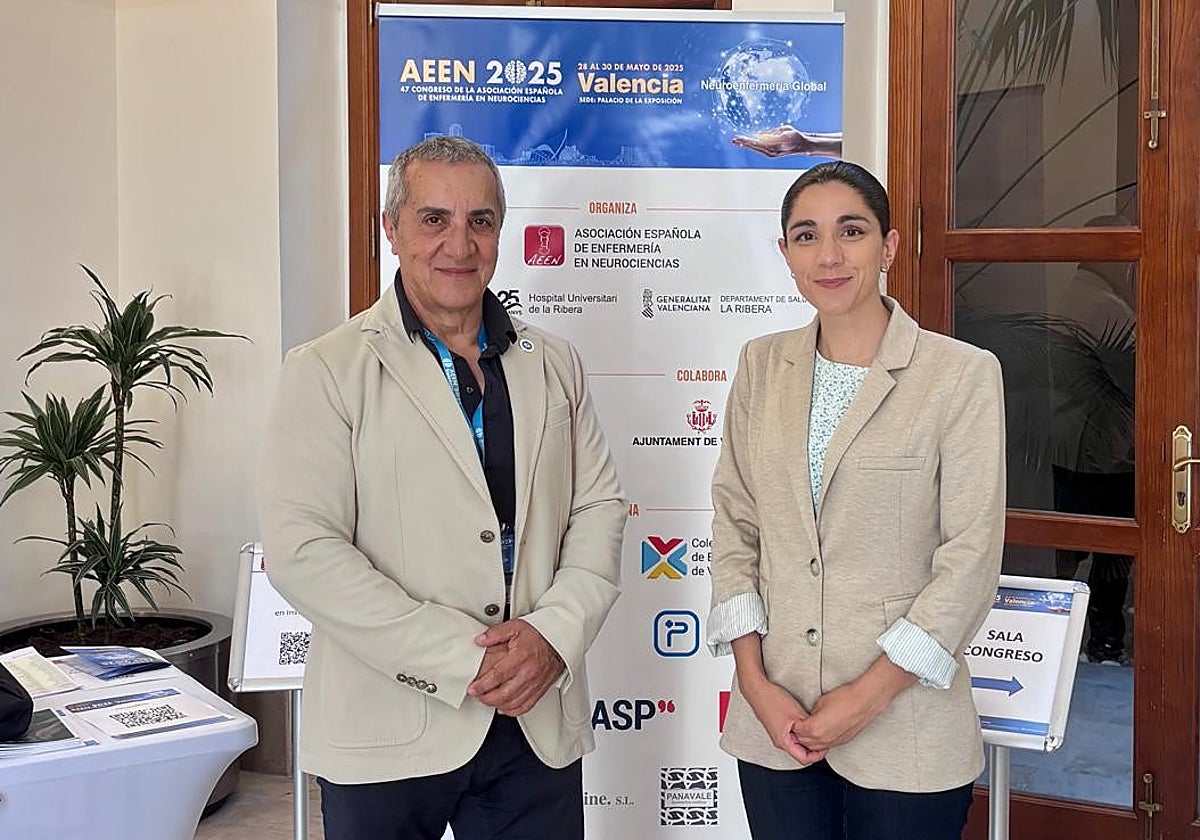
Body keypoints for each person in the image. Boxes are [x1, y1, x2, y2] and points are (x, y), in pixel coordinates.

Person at [257, 136, 626, 840]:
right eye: (434, 219)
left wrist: (551, 638)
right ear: (391, 230)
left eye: (480, 221)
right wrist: (470, 660)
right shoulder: (326, 370)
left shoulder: (554, 364)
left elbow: (600, 510)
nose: (459, 243)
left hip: (533, 720)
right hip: (388, 726)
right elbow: (304, 551)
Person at [707, 161, 1006, 840]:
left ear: (889, 247)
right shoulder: (760, 364)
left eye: (852, 231)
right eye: (806, 236)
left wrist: (865, 700)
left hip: (907, 729)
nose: (830, 255)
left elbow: (968, 561)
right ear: (785, 254)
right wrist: (753, 684)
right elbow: (734, 525)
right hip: (775, 722)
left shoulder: (959, 376)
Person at [1048, 218, 1136, 665]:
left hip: (1070, 447)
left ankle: (1059, 645)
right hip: (1106, 454)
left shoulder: (1072, 295)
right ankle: (1105, 646)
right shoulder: (1106, 305)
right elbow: (1144, 378)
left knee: (1070, 547)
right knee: (1112, 552)